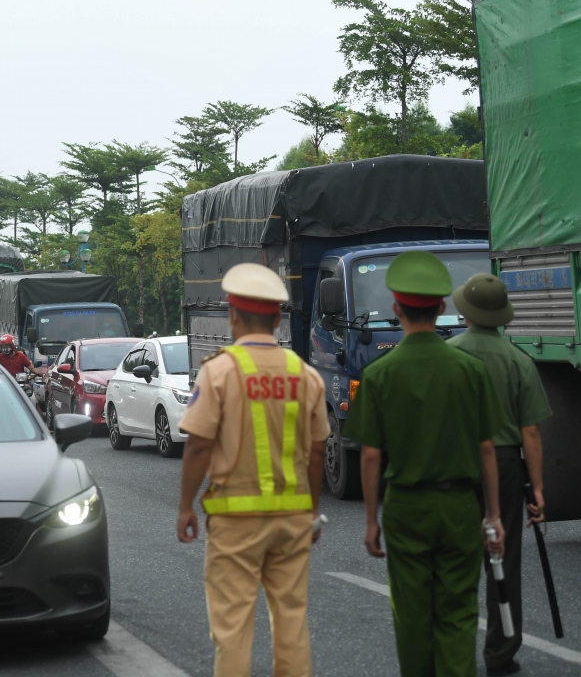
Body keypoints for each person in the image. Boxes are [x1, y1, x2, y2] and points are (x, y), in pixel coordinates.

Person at [344, 250, 506, 677]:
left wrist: (370, 520)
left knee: (412, 616)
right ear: (441, 308)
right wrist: (492, 515)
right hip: (458, 509)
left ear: (396, 309)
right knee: (457, 614)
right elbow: (487, 447)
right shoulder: (469, 369)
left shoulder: (380, 374)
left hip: (406, 508)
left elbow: (372, 454)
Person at [176, 263, 330, 677]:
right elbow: (317, 454)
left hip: (235, 519)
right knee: (292, 621)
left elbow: (198, 447)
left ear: (233, 316)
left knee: (232, 628)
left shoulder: (219, 371)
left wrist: (185, 507)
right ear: (279, 320)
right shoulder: (306, 375)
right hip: (294, 518)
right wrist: (311, 512)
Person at [447, 273, 553, 676]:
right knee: (503, 555)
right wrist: (539, 489)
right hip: (507, 465)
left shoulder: (451, 353)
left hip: (456, 461)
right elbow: (532, 433)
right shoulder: (518, 360)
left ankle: (455, 648)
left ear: (467, 312)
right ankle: (501, 651)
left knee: (458, 558)